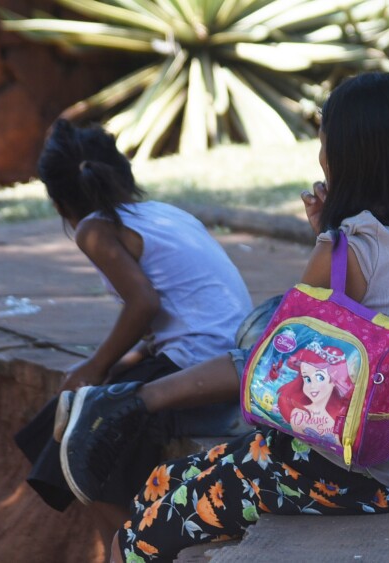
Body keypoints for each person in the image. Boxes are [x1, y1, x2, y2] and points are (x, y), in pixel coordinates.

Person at [53, 72, 389, 562]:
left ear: (347, 155)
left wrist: (327, 240)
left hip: (358, 475)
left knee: (135, 538)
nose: (321, 156)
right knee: (164, 482)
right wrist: (330, 237)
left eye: (325, 143)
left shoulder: (353, 246)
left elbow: (275, 361)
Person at [13, 119, 253, 543]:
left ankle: (130, 541)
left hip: (195, 364)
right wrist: (133, 358)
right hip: (225, 355)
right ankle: (123, 539)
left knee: (81, 439)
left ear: (58, 200)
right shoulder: (162, 213)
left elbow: (145, 303)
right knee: (64, 421)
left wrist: (95, 364)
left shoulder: (94, 229)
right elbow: (181, 310)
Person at [277, 343, 355, 445]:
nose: (312, 386)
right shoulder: (298, 413)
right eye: (307, 379)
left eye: (320, 378)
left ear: (334, 380)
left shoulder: (339, 419)